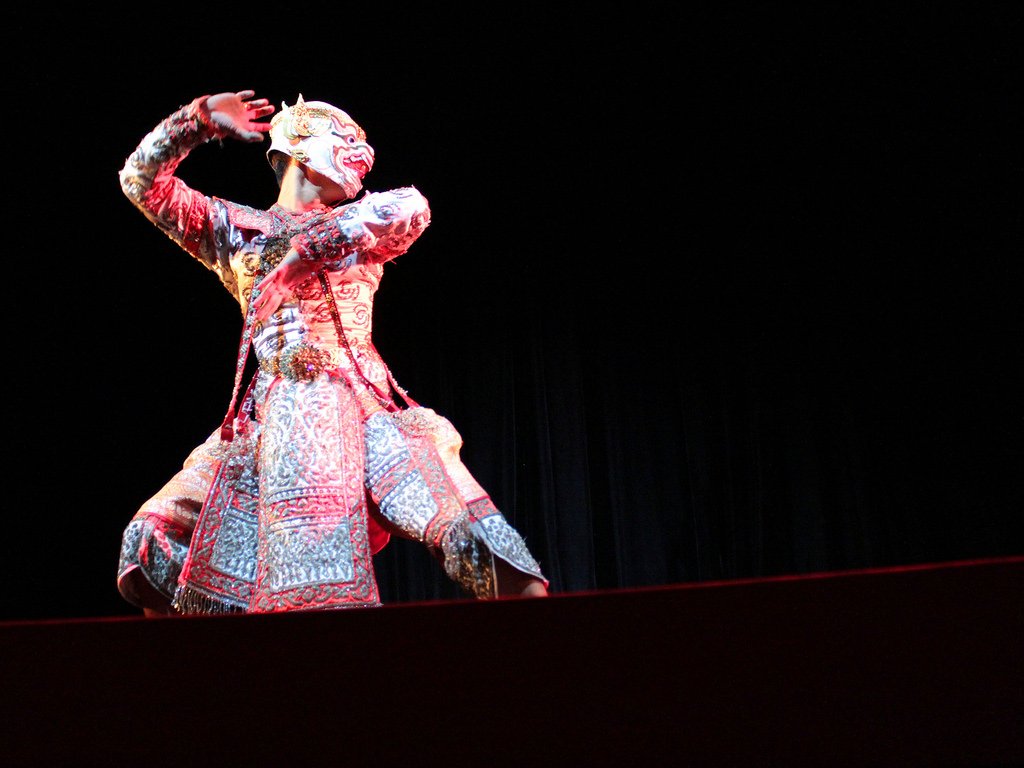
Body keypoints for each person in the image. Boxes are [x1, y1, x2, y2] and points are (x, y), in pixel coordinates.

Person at [116, 90, 549, 615]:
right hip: (269, 422)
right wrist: (197, 120)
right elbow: (140, 181)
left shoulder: (360, 229)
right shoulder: (236, 231)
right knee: (150, 539)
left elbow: (412, 206)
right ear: (299, 147)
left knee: (467, 530)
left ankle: (553, 652)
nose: (362, 155)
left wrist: (305, 254)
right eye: (345, 139)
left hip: (364, 409)